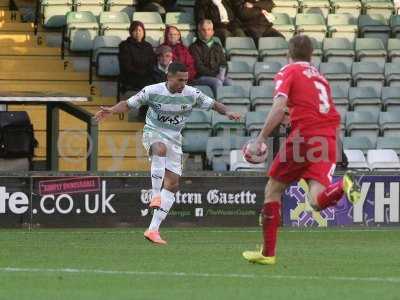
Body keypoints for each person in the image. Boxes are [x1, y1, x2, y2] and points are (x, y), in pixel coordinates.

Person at [242, 35, 361, 265]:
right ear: (311, 55)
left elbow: (279, 106)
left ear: (289, 53)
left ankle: (268, 254)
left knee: (273, 190)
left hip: (304, 137)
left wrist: (260, 138)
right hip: (328, 139)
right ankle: (343, 185)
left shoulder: (289, 71)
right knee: (316, 201)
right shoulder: (320, 77)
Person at [94, 62, 241, 245]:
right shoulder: (152, 91)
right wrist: (111, 110)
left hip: (175, 138)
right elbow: (128, 104)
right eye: (180, 80)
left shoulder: (191, 93)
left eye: (186, 80)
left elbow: (213, 104)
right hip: (153, 132)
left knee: (172, 184)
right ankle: (155, 194)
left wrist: (228, 112)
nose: (183, 83)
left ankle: (153, 230)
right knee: (159, 149)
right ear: (169, 77)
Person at [190, 19, 233, 96]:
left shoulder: (217, 46)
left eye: (209, 29)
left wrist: (222, 74)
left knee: (229, 82)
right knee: (217, 82)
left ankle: (229, 105)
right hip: (200, 77)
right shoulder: (194, 47)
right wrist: (216, 75)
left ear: (212, 32)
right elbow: (199, 67)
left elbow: (224, 63)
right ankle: (219, 106)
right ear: (199, 32)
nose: (206, 32)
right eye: (203, 30)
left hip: (217, 76)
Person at [118, 21, 156, 93]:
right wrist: (141, 72)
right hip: (131, 76)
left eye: (140, 30)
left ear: (143, 32)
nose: (138, 33)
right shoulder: (124, 45)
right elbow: (126, 66)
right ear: (131, 32)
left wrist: (147, 72)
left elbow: (152, 62)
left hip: (147, 75)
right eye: (135, 30)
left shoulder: (148, 46)